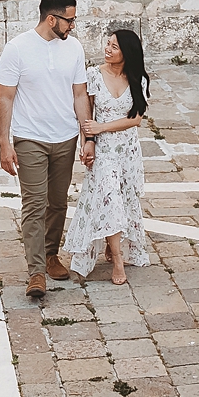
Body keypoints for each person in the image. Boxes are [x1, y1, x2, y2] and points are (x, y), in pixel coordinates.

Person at [0, 0, 88, 301]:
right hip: (29, 137)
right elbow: (5, 98)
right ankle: (36, 271)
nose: (72, 26)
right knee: (34, 203)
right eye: (70, 20)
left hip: (65, 137)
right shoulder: (17, 49)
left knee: (58, 202)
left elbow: (79, 95)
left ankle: (51, 255)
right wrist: (4, 144)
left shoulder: (74, 49)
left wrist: (86, 136)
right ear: (52, 19)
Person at [65, 28, 153, 286]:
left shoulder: (138, 79)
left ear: (127, 53)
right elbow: (86, 114)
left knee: (124, 200)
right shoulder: (93, 75)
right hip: (103, 153)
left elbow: (136, 119)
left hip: (127, 150)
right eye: (108, 43)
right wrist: (88, 143)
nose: (108, 49)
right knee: (110, 202)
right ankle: (117, 260)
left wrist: (102, 128)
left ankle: (110, 244)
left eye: (114, 47)